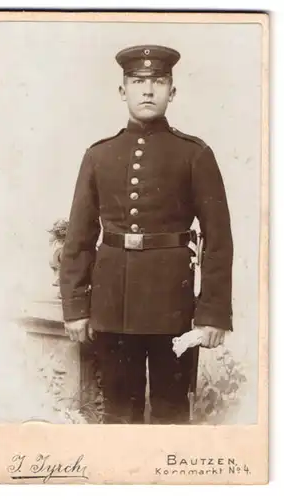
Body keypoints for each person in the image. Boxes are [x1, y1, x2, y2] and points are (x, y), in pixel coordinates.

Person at [59, 45, 233, 424]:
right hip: (111, 306)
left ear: (173, 91)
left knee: (171, 411)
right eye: (138, 82)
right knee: (119, 412)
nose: (148, 90)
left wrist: (213, 314)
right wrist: (75, 307)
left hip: (173, 307)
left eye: (158, 81)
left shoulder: (195, 155)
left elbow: (219, 239)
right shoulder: (99, 156)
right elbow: (79, 237)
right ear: (123, 91)